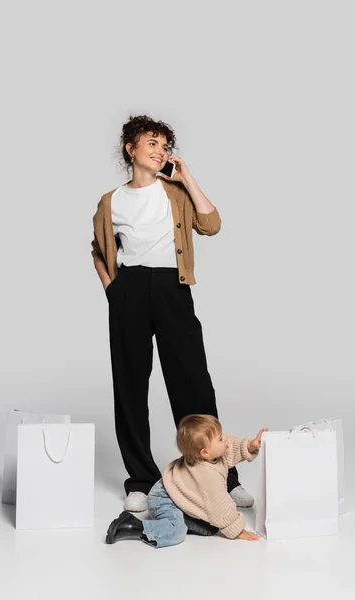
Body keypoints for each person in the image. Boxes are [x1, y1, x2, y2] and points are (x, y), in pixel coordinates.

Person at [91, 115, 254, 512]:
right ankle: (141, 480)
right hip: (128, 291)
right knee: (130, 386)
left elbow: (211, 224)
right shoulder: (111, 201)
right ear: (131, 149)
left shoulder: (175, 192)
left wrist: (187, 179)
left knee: (193, 382)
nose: (160, 150)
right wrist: (113, 290)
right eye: (152, 143)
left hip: (171, 288)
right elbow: (98, 251)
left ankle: (222, 475)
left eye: (165, 145)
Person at [106, 415, 268, 547]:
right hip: (164, 498)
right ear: (205, 453)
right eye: (220, 439)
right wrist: (237, 531)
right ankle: (131, 525)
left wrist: (251, 445)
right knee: (176, 532)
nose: (225, 439)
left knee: (210, 528)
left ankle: (184, 514)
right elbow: (220, 506)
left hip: (181, 493)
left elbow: (232, 446)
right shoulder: (206, 475)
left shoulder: (214, 453)